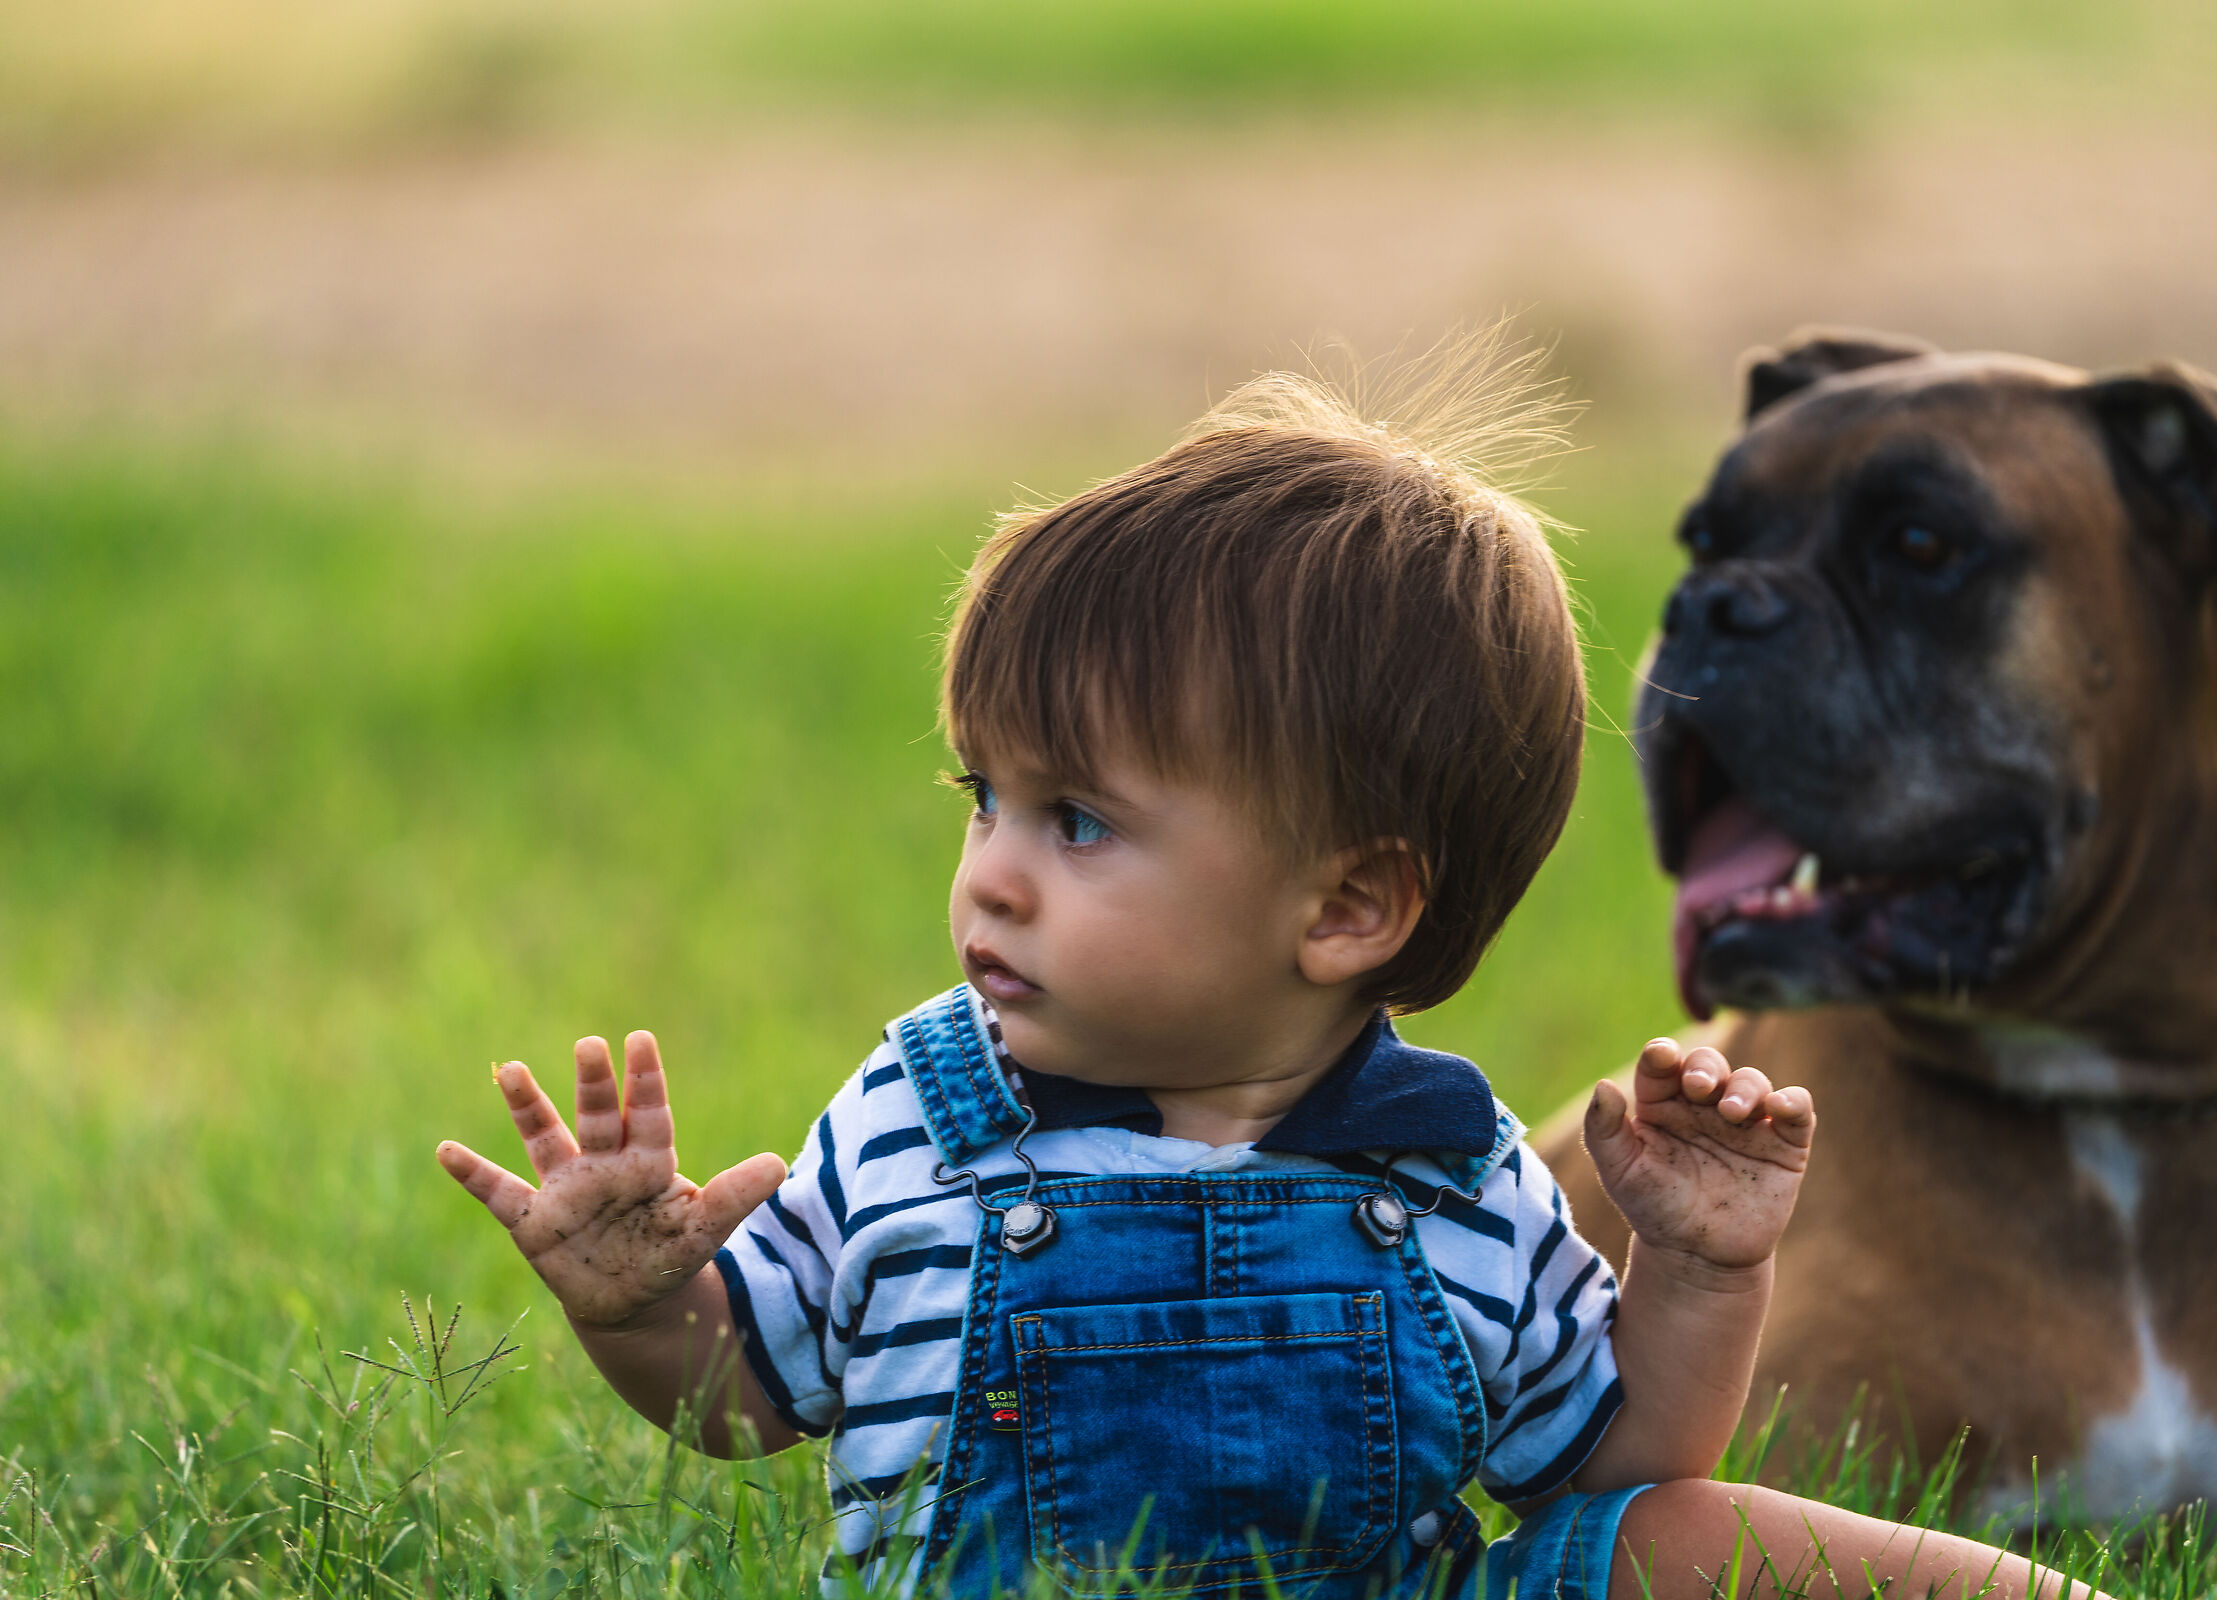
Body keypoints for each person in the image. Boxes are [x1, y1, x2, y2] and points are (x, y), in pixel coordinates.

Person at [436, 344, 2106, 1599]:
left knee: (1686, 1538)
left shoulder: (1451, 1175)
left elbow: (1605, 1467)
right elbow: (750, 1397)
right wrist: (651, 1305)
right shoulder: (918, 1124)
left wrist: (1703, 1274)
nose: (992, 873)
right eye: (987, 799)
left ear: (1349, 911)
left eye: (1078, 821)